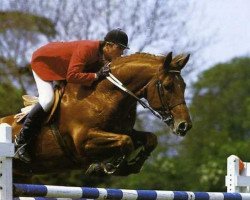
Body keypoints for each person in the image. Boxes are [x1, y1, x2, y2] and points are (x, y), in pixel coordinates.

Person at [15, 28, 129, 163]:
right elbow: (72, 76)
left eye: (123, 49)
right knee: (47, 100)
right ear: (108, 46)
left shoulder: (102, 54)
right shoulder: (87, 49)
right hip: (43, 62)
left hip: (61, 65)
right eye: (120, 48)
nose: (121, 53)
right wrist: (96, 75)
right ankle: (20, 142)